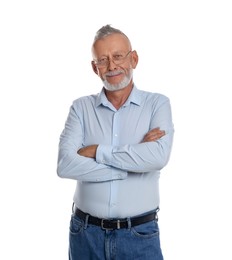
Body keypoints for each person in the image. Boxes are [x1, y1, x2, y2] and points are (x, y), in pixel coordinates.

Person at [57, 24, 174, 260]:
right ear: (94, 68)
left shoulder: (157, 104)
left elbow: (157, 158)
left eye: (118, 56)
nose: (112, 66)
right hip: (85, 234)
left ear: (134, 59)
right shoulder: (81, 108)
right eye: (103, 60)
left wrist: (96, 151)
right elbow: (65, 165)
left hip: (139, 235)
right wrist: (130, 165)